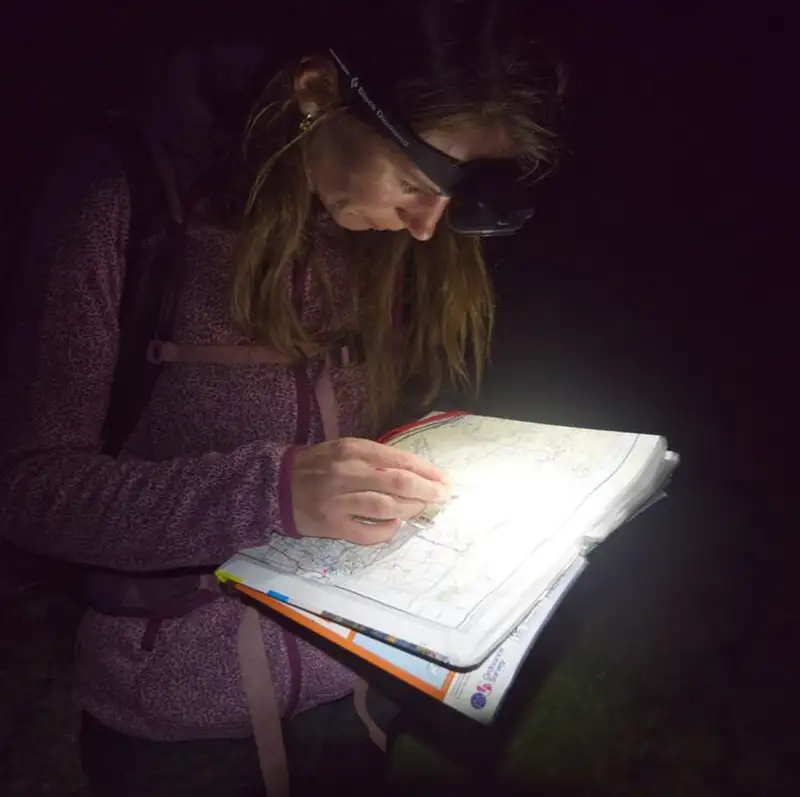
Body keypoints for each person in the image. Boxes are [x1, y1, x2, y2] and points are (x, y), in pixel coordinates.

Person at [0, 3, 562, 795]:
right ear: (316, 91)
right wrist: (272, 492)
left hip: (357, 693)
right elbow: (28, 487)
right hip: (177, 731)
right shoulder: (123, 203)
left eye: (456, 194)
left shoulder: (381, 240)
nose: (426, 226)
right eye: (414, 181)